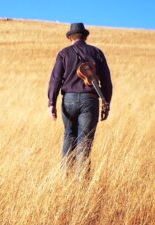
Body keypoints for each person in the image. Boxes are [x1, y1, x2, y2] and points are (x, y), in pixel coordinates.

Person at [48, 23, 112, 178]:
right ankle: (81, 181)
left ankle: (65, 176)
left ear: (70, 37)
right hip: (90, 100)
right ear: (85, 36)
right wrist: (106, 103)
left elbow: (55, 79)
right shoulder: (97, 53)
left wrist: (51, 102)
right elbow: (106, 81)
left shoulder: (64, 53)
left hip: (68, 100)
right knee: (85, 139)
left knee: (69, 135)